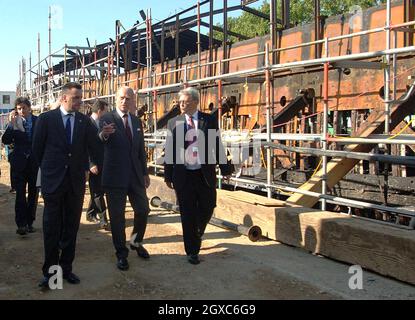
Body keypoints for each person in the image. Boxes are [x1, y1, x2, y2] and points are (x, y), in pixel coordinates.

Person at [32, 82, 100, 288]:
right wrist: (48, 174)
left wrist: (103, 136)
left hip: (75, 184)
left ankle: (66, 269)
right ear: (63, 98)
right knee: (51, 229)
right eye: (76, 98)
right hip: (53, 183)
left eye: (81, 98)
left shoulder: (84, 121)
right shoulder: (46, 120)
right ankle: (52, 274)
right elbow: (37, 151)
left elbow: (94, 147)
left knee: (71, 228)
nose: (80, 102)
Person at [164, 87, 233, 265]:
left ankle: (197, 232)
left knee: (208, 206)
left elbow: (217, 144)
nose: (181, 105)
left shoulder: (208, 120)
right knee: (187, 213)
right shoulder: (174, 122)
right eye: (180, 102)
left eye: (184, 102)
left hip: (204, 174)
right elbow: (170, 150)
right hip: (183, 175)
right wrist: (168, 175)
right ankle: (192, 251)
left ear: (195, 102)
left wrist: (226, 169)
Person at [100, 86, 151, 271]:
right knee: (117, 217)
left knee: (143, 210)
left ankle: (136, 242)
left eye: (128, 98)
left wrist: (145, 173)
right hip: (115, 177)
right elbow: (101, 138)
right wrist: (104, 134)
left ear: (133, 101)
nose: (125, 101)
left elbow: (140, 150)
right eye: (122, 98)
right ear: (116, 99)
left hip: (135, 176)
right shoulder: (107, 119)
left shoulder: (137, 121)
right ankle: (121, 254)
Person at [1, 97, 39, 235]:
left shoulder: (38, 121)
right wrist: (11, 125)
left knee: (34, 194)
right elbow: (5, 140)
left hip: (34, 163)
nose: (22, 110)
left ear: (29, 108)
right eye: (19, 108)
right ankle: (21, 224)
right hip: (19, 163)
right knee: (20, 194)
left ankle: (30, 222)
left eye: (24, 107)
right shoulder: (14, 122)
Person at [86, 99, 109, 229]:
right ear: (100, 111)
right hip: (93, 164)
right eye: (105, 111)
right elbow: (86, 147)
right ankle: (103, 218)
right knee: (97, 192)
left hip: (103, 162)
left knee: (97, 190)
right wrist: (91, 164)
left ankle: (90, 213)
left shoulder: (103, 123)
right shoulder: (87, 123)